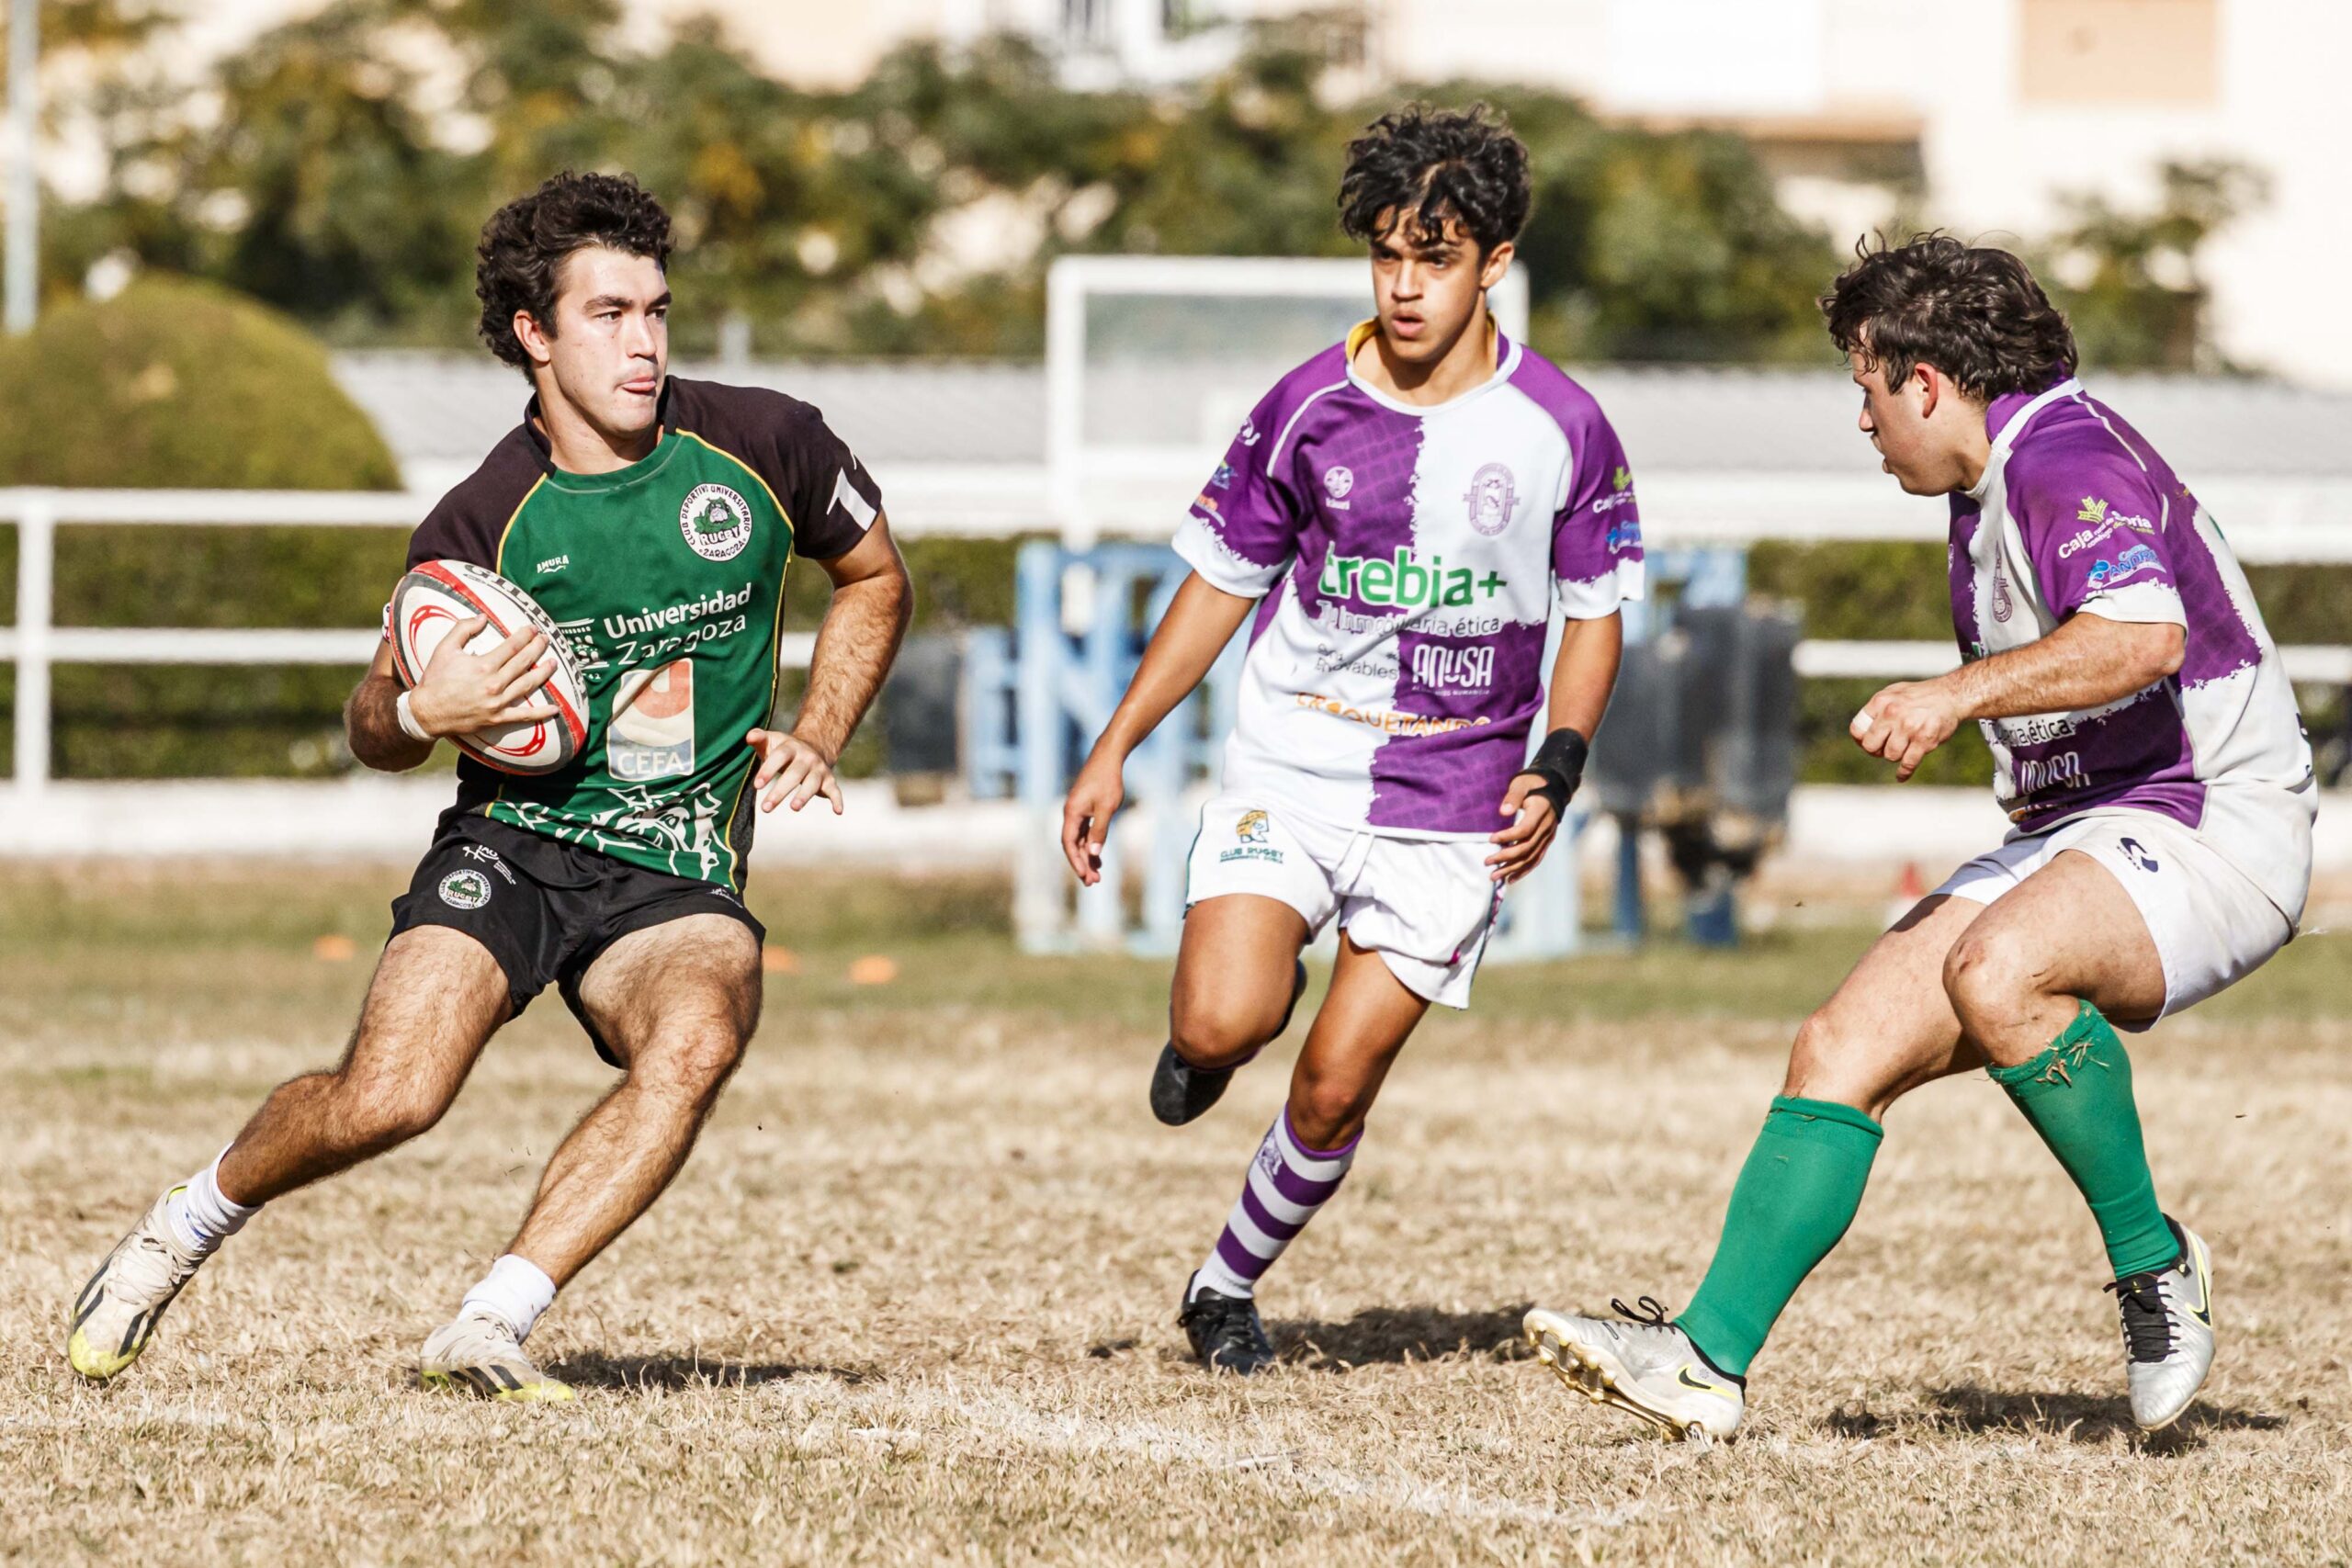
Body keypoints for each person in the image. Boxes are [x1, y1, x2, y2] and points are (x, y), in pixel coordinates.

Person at [67, 171, 910, 1400]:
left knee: (697, 1039)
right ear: (535, 334)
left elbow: (875, 576)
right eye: (609, 314)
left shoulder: (769, 441)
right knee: (390, 1098)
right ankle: (176, 1234)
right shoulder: (484, 521)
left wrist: (821, 728)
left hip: (675, 866)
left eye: (656, 311)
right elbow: (370, 722)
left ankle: (490, 1322)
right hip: (512, 841)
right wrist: (421, 710)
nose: (644, 341)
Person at [1525, 235, 2314, 1441]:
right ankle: (1704, 1360)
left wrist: (1953, 697)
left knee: (2000, 969)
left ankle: (2158, 1268)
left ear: (1929, 383)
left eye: (1866, 386)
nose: (1863, 418)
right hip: (2098, 828)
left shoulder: (2063, 452)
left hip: (2217, 824)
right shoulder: (1989, 483)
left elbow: (2142, 635)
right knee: (1841, 1042)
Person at [1061, 105, 1640, 1374]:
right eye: (1386, 255)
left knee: (1331, 1090)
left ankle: (1223, 1288)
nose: (1406, 285)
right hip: (1296, 767)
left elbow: (1595, 620)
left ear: (1495, 263)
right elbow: (1217, 585)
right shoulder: (1306, 407)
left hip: (1457, 807)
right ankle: (1208, 1043)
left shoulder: (1566, 429)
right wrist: (1113, 748)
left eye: (1434, 259)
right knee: (1224, 1026)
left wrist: (1562, 760)